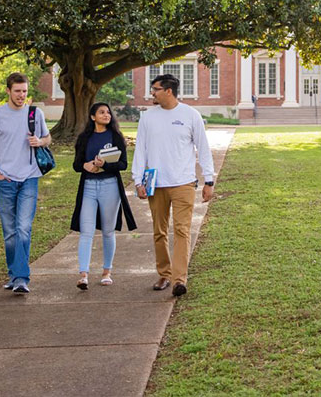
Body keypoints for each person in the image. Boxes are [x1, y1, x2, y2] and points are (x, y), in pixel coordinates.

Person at [133, 73, 215, 297]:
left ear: (168, 91)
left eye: (155, 89)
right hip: (155, 183)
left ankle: (180, 279)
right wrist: (137, 180)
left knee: (182, 231)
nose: (152, 93)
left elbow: (203, 149)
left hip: (183, 183)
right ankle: (164, 274)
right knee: (159, 232)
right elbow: (141, 150)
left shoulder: (190, 115)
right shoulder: (148, 117)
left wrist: (209, 180)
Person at [0, 72, 51, 295]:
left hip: (29, 178)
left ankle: (21, 277)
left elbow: (48, 138)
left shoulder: (34, 113)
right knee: (10, 231)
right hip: (6, 180)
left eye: (25, 91)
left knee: (23, 228)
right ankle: (14, 274)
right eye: (18, 91)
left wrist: (40, 141)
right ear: (8, 91)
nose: (22, 95)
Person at [70, 102, 136, 290]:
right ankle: (83, 274)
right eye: (101, 112)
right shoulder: (84, 138)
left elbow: (123, 164)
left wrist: (104, 165)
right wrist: (86, 165)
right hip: (89, 187)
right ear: (93, 117)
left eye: (108, 112)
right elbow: (76, 164)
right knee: (86, 230)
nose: (106, 115)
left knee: (108, 231)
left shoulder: (115, 136)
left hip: (110, 186)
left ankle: (107, 272)